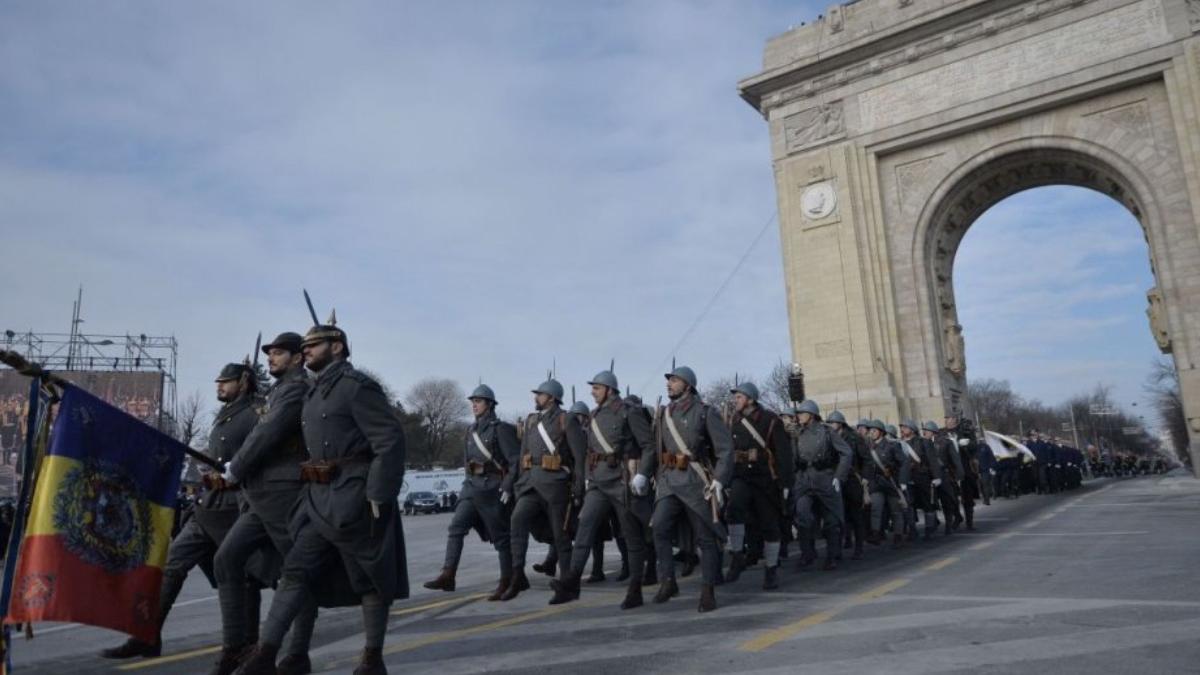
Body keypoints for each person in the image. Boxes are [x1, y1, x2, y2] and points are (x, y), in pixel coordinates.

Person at [236, 319, 407, 675]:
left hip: (356, 498)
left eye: (315, 345)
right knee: (295, 571)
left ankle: (372, 659)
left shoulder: (358, 387)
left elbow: (389, 441)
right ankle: (266, 654)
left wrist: (378, 493)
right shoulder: (313, 391)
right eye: (306, 346)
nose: (307, 350)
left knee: (370, 577)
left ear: (338, 347)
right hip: (317, 497)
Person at [101, 362, 261, 662]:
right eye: (218, 382)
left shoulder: (256, 414)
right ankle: (147, 635)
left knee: (243, 578)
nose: (219, 387)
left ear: (244, 381)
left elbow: (260, 453)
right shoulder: (225, 416)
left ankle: (245, 647)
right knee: (172, 565)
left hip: (236, 509)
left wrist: (238, 469)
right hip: (208, 506)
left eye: (226, 382)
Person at [212, 334, 318, 675]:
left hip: (286, 494)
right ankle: (235, 648)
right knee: (227, 558)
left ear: (298, 357)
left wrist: (236, 468)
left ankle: (296, 654)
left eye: (279, 353)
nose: (271, 358)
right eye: (270, 353)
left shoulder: (297, 388)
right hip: (261, 496)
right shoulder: (277, 390)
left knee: (296, 575)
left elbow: (267, 433)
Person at [549, 369, 652, 608]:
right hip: (598, 482)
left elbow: (648, 446)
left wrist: (643, 475)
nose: (592, 392)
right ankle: (571, 584)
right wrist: (586, 478)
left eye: (596, 388)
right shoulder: (594, 415)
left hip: (622, 481)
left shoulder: (629, 412)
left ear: (609, 389)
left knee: (631, 536)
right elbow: (588, 451)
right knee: (584, 527)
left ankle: (635, 589)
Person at [634, 365, 733, 612]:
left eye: (675, 381)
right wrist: (644, 474)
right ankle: (668, 580)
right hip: (668, 480)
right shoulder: (663, 414)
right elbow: (654, 447)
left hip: (694, 480)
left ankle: (708, 589)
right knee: (659, 528)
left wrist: (720, 479)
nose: (669, 384)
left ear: (687, 385)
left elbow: (725, 450)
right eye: (669, 380)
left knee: (705, 538)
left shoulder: (704, 412)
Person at [423, 384, 519, 601]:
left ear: (490, 404)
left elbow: (515, 462)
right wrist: (466, 485)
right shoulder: (470, 431)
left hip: (492, 489)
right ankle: (448, 574)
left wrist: (507, 486)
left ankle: (508, 580)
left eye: (478, 401)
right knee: (456, 528)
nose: (474, 405)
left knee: (501, 538)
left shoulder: (500, 429)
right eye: (473, 402)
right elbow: (468, 464)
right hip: (471, 489)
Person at [502, 378, 586, 601]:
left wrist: (578, 487)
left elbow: (580, 457)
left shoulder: (565, 419)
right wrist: (516, 484)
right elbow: (522, 455)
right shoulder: (531, 421)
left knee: (561, 535)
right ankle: (518, 575)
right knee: (517, 521)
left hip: (556, 484)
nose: (535, 398)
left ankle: (567, 584)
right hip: (530, 483)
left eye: (539, 394)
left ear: (551, 397)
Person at [724, 382, 792, 589]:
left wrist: (786, 483)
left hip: (765, 479)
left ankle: (771, 570)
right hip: (741, 476)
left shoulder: (771, 421)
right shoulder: (734, 421)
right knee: (734, 509)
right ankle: (736, 556)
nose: (735, 401)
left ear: (751, 400)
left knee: (770, 525)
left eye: (739, 397)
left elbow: (784, 454)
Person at [791, 400, 852, 571]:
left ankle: (832, 555)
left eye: (802, 413)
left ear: (811, 415)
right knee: (802, 514)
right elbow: (793, 460)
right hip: (804, 480)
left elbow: (846, 453)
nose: (799, 416)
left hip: (825, 479)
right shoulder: (798, 434)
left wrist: (839, 476)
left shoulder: (827, 432)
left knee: (831, 520)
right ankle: (807, 553)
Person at [827, 411, 869, 559]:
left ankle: (859, 546)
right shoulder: (828, 437)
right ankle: (838, 548)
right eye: (829, 422)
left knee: (856, 514)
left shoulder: (854, 438)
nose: (831, 425)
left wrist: (865, 477)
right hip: (835, 480)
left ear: (840, 423)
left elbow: (866, 459)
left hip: (852, 478)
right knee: (837, 515)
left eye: (833, 422)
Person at [867, 419, 910, 547]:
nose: (872, 433)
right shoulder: (868, 447)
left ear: (881, 432)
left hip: (891, 482)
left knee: (896, 511)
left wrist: (902, 481)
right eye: (871, 430)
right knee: (876, 508)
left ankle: (898, 536)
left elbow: (904, 463)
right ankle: (875, 534)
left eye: (874, 430)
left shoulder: (892, 445)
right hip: (876, 483)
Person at [899, 419, 942, 540]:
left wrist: (937, 477)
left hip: (922, 477)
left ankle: (929, 529)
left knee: (927, 504)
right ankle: (912, 530)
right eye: (902, 428)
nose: (903, 430)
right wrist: (901, 480)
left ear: (912, 429)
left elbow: (932, 460)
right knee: (908, 505)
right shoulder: (899, 443)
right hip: (907, 478)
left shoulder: (924, 442)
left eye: (905, 427)